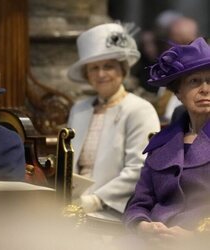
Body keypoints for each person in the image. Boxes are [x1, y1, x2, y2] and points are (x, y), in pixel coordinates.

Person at [67, 23, 160, 216]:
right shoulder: (79, 109)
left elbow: (139, 168)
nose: (101, 74)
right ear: (87, 74)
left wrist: (96, 200)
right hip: (74, 205)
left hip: (116, 210)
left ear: (123, 70)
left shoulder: (140, 110)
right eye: (94, 68)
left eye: (108, 66)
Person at [124, 37, 210, 242]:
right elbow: (138, 204)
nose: (205, 89)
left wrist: (196, 237)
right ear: (179, 93)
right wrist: (142, 225)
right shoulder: (162, 144)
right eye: (194, 81)